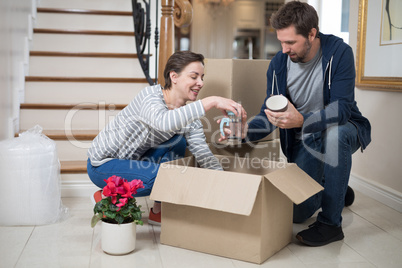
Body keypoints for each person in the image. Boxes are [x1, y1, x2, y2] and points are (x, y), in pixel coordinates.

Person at [242, 1, 371, 246]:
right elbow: (269, 115)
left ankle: (331, 224)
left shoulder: (339, 53)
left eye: (290, 42)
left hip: (342, 129)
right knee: (296, 214)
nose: (283, 49)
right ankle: (335, 189)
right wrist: (243, 131)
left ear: (312, 34)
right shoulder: (279, 65)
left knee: (335, 134)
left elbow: (342, 109)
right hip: (306, 141)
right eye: (281, 41)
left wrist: (302, 120)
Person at [87, 50, 245, 226]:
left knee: (178, 143)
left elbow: (204, 156)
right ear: (174, 76)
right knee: (164, 179)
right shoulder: (149, 97)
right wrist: (212, 101)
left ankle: (158, 211)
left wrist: (225, 185)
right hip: (103, 164)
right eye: (194, 77)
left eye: (202, 77)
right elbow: (164, 123)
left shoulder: (189, 117)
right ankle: (106, 195)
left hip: (133, 161)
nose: (200, 83)